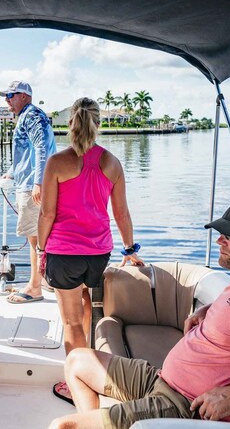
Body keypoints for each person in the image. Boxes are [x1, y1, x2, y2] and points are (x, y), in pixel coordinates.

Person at [49, 198, 230, 429]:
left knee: (63, 426)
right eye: (221, 233)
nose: (220, 240)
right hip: (162, 379)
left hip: (185, 406)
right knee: (78, 360)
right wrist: (209, 309)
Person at [37, 97, 143, 404]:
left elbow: (46, 215)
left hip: (65, 252)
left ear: (71, 122)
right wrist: (129, 248)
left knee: (70, 321)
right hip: (99, 253)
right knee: (84, 301)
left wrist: (43, 249)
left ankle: (76, 383)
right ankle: (87, 361)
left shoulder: (57, 163)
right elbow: (122, 214)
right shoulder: (112, 163)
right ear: (98, 125)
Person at [0, 80, 56, 304]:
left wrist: (38, 182)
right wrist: (12, 173)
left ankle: (34, 287)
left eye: (11, 95)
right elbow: (27, 153)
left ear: (24, 96)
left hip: (33, 186)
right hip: (28, 181)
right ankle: (41, 280)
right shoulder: (28, 116)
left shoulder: (31, 115)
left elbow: (41, 148)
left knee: (35, 238)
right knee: (38, 237)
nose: (7, 100)